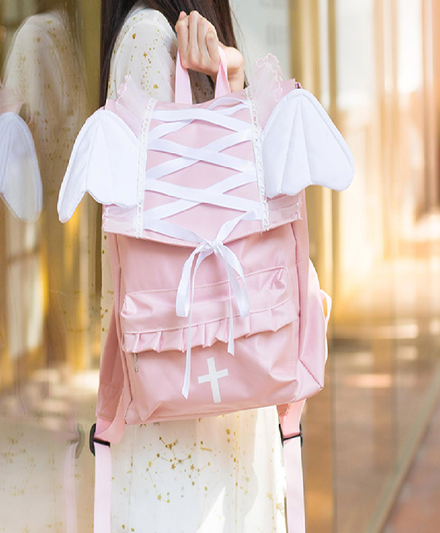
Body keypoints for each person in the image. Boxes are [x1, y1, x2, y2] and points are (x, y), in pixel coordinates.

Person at [100, 2, 287, 531]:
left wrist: (234, 83)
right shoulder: (149, 38)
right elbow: (181, 242)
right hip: (188, 434)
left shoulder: (165, 39)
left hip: (213, 397)